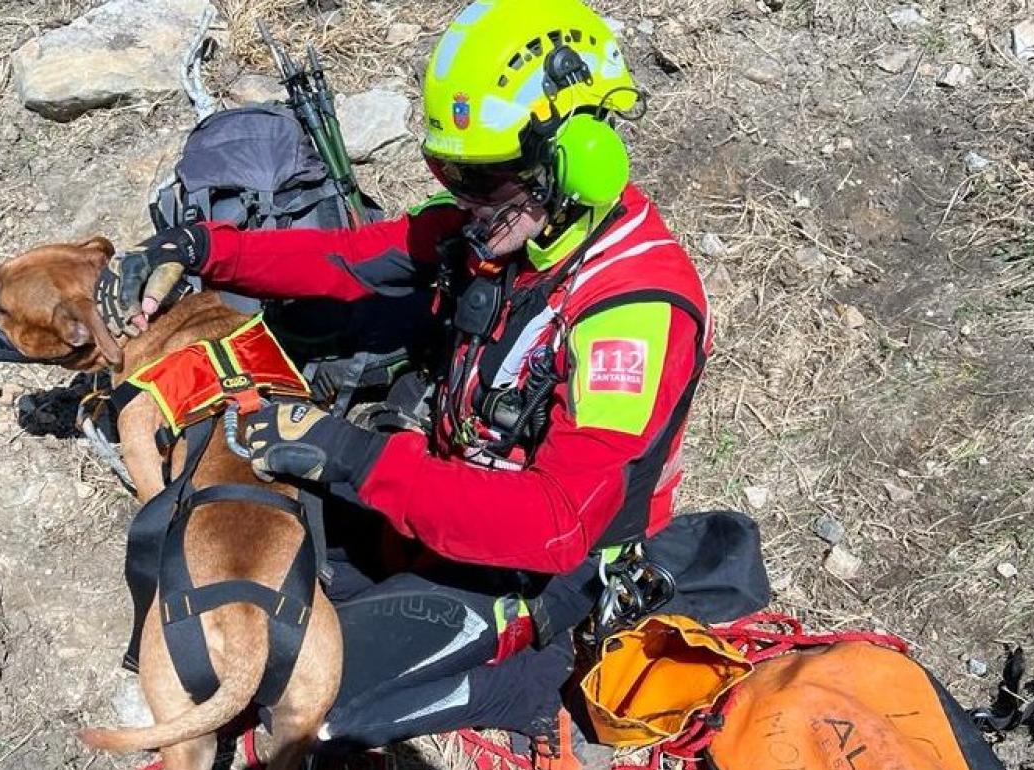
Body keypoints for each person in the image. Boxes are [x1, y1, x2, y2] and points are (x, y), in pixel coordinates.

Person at [94, 0, 715, 766]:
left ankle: (520, 687)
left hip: (540, 569)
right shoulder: (502, 228)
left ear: (578, 161)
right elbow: (347, 259)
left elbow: (556, 527)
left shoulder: (633, 315)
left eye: (479, 175)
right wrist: (203, 248)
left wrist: (344, 454)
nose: (459, 193)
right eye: (445, 169)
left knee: (314, 707)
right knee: (265, 553)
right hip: (452, 497)